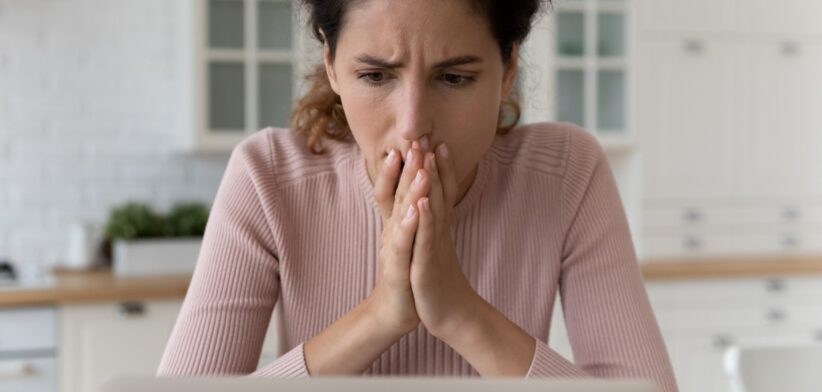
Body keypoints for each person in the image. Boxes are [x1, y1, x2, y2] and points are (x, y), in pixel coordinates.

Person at [157, 0, 679, 390]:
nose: (412, 126)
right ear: (332, 65)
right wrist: (382, 316)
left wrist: (457, 312)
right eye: (375, 75)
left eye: (454, 77)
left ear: (509, 70)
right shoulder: (269, 178)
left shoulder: (564, 172)